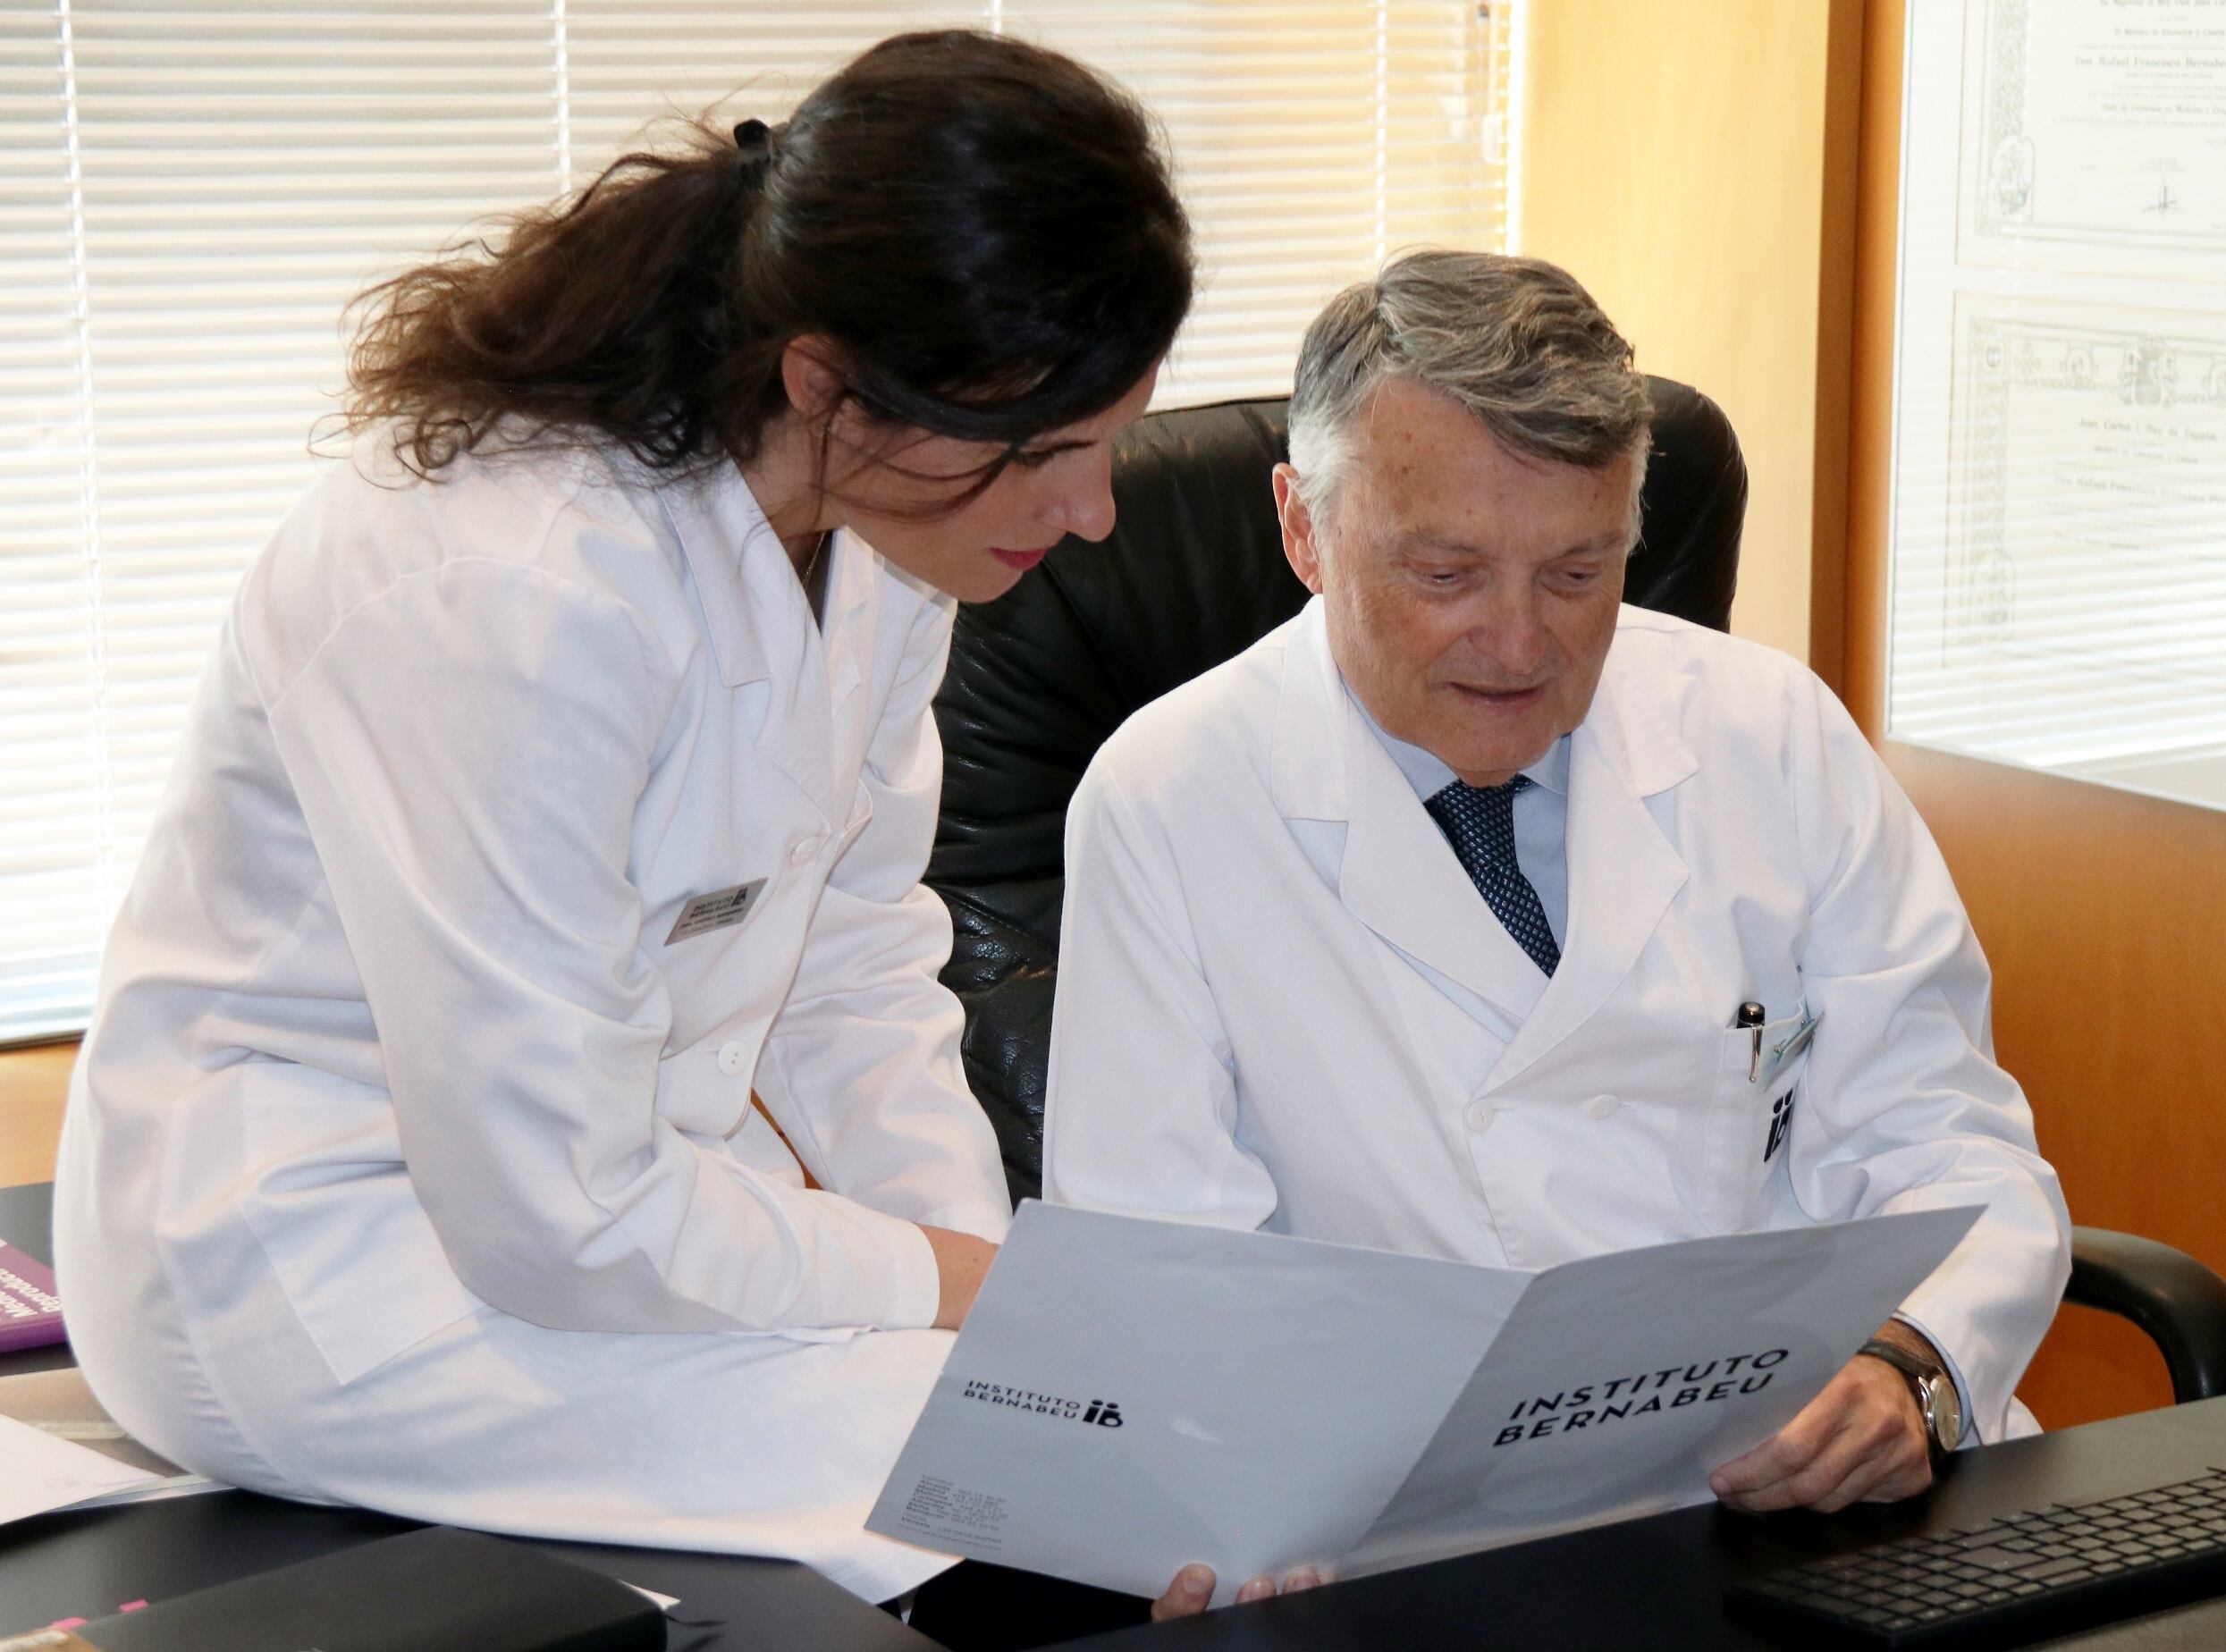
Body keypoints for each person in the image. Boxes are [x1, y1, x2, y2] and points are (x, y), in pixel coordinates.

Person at [53, 29, 1195, 1631]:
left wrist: (984, 1296)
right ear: (825, 380)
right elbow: (553, 1216)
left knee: (1053, 1431)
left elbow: (854, 967)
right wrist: (947, 1297)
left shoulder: (874, 528)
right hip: (327, 1255)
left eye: (1107, 442)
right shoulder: (505, 585)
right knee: (1007, 1492)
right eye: (1041, 452)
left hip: (634, 1196)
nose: (1091, 515)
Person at [1044, 250, 2072, 1523]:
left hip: (1817, 1489)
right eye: (1445, 576)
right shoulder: (1169, 799)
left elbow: (1945, 1137)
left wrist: (1910, 1366)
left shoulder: (1765, 730)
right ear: (1302, 527)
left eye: (1579, 574)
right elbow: (1166, 1278)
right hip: (1423, 1531)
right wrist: (1248, 1515)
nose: (1520, 643)